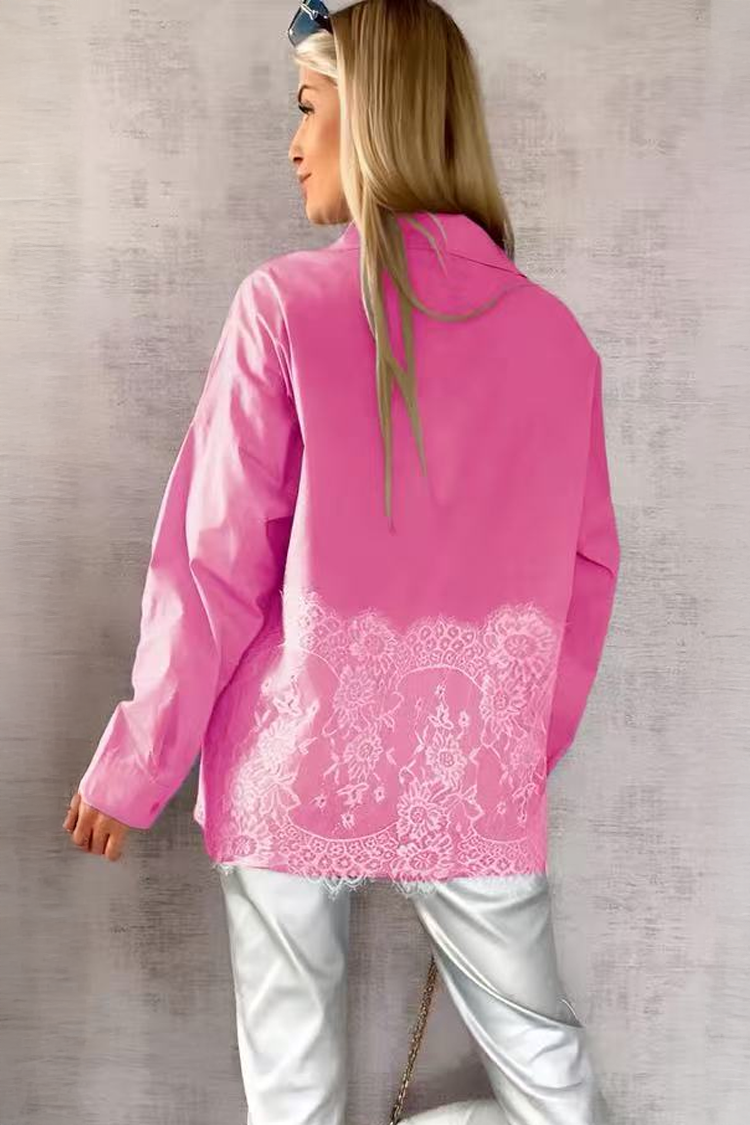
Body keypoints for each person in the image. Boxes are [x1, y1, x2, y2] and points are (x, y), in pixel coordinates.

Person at [63, 1, 621, 1122]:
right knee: (547, 1074)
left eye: (308, 106)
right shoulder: (558, 340)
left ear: (369, 119)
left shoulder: (283, 307)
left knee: (293, 1094)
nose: (292, 142)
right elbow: (586, 579)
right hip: (471, 772)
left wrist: (138, 762)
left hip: (295, 765)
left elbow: (214, 569)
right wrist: (513, 749)